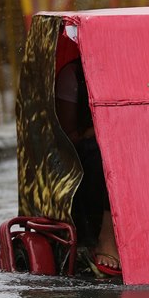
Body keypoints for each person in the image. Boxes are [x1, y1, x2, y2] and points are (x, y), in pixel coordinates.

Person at [55, 58, 121, 276]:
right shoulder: (73, 75)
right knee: (102, 151)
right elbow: (67, 138)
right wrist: (98, 130)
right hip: (89, 156)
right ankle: (106, 237)